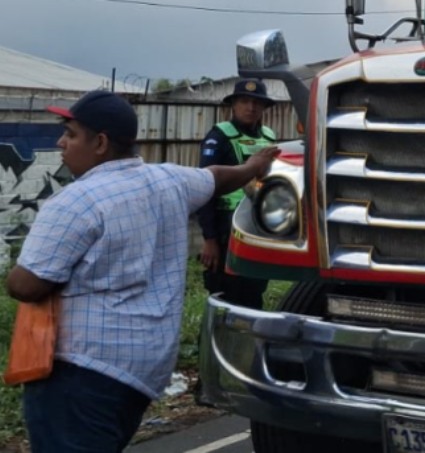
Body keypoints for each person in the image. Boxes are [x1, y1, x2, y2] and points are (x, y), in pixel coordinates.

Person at [5, 89, 279, 453]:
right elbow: (216, 177)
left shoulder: (73, 202)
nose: (61, 143)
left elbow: (26, 285)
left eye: (70, 134)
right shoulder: (168, 181)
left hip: (82, 367)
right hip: (142, 369)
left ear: (100, 142)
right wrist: (252, 168)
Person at [196, 78, 276, 309]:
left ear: (264, 107)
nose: (250, 108)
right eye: (244, 101)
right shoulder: (219, 136)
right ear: (233, 105)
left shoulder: (269, 137)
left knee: (254, 286)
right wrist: (209, 239)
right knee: (225, 291)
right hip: (226, 226)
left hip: (258, 223)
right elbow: (205, 188)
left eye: (256, 103)